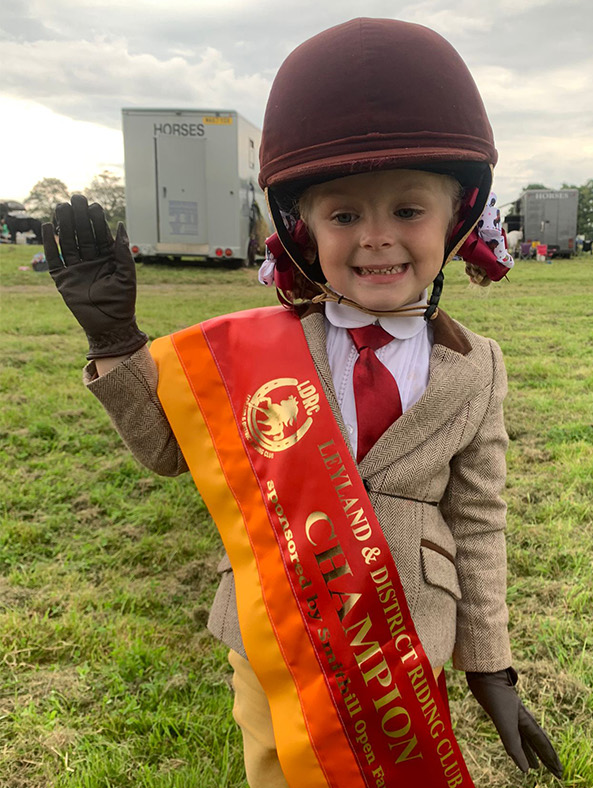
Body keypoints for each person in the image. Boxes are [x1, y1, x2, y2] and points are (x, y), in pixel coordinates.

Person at [42, 18, 561, 786]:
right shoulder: (254, 351)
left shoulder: (477, 368)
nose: (376, 238)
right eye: (344, 215)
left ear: (455, 218)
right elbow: (165, 450)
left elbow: (479, 520)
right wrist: (116, 341)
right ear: (302, 228)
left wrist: (491, 665)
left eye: (408, 211)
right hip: (275, 636)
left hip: (410, 642)